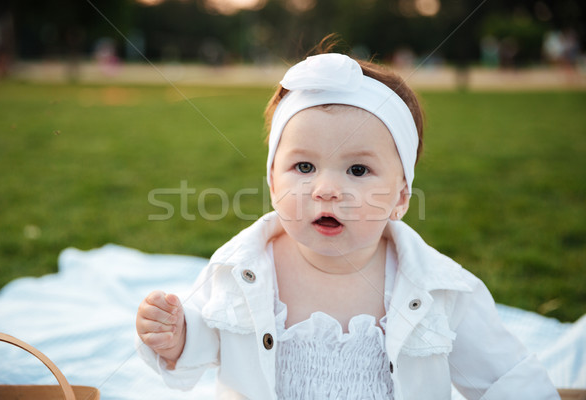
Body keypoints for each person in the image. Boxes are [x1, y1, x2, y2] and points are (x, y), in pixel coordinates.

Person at [135, 46, 560, 399]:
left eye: (357, 171)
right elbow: (202, 342)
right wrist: (176, 336)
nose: (326, 189)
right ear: (271, 180)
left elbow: (507, 377)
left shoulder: (440, 291)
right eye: (303, 166)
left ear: (400, 196)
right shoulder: (241, 269)